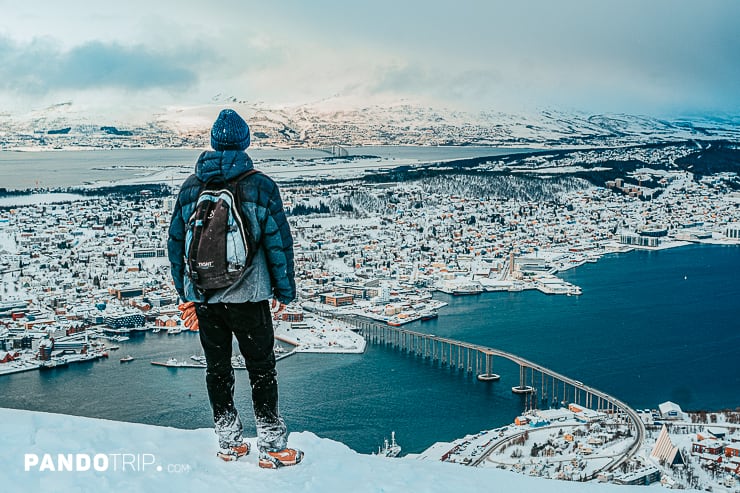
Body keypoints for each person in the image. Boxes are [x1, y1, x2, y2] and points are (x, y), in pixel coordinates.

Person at [167, 108, 302, 468]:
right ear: (245, 143)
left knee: (217, 370)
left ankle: (229, 442)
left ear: (213, 142)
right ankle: (271, 445)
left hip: (207, 298)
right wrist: (285, 292)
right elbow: (278, 245)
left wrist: (187, 295)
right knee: (262, 369)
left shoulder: (191, 187)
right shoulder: (260, 185)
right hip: (249, 297)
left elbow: (176, 243)